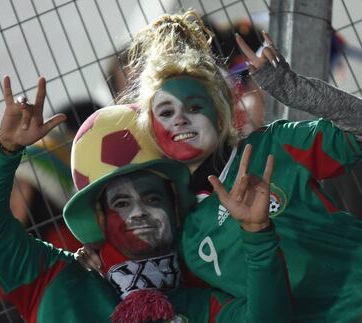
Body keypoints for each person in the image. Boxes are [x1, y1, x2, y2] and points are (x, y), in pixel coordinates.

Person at [78, 10, 362, 322]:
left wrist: (297, 91)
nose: (181, 119)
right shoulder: (181, 226)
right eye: (165, 112)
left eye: (194, 106)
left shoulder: (274, 145)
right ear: (151, 129)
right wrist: (98, 257)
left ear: (220, 110)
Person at [0, 77, 292, 323]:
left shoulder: (202, 302)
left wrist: (258, 233)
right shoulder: (57, 280)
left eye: (151, 198)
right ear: (101, 218)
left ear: (175, 208)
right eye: (120, 203)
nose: (138, 213)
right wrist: (5, 150)